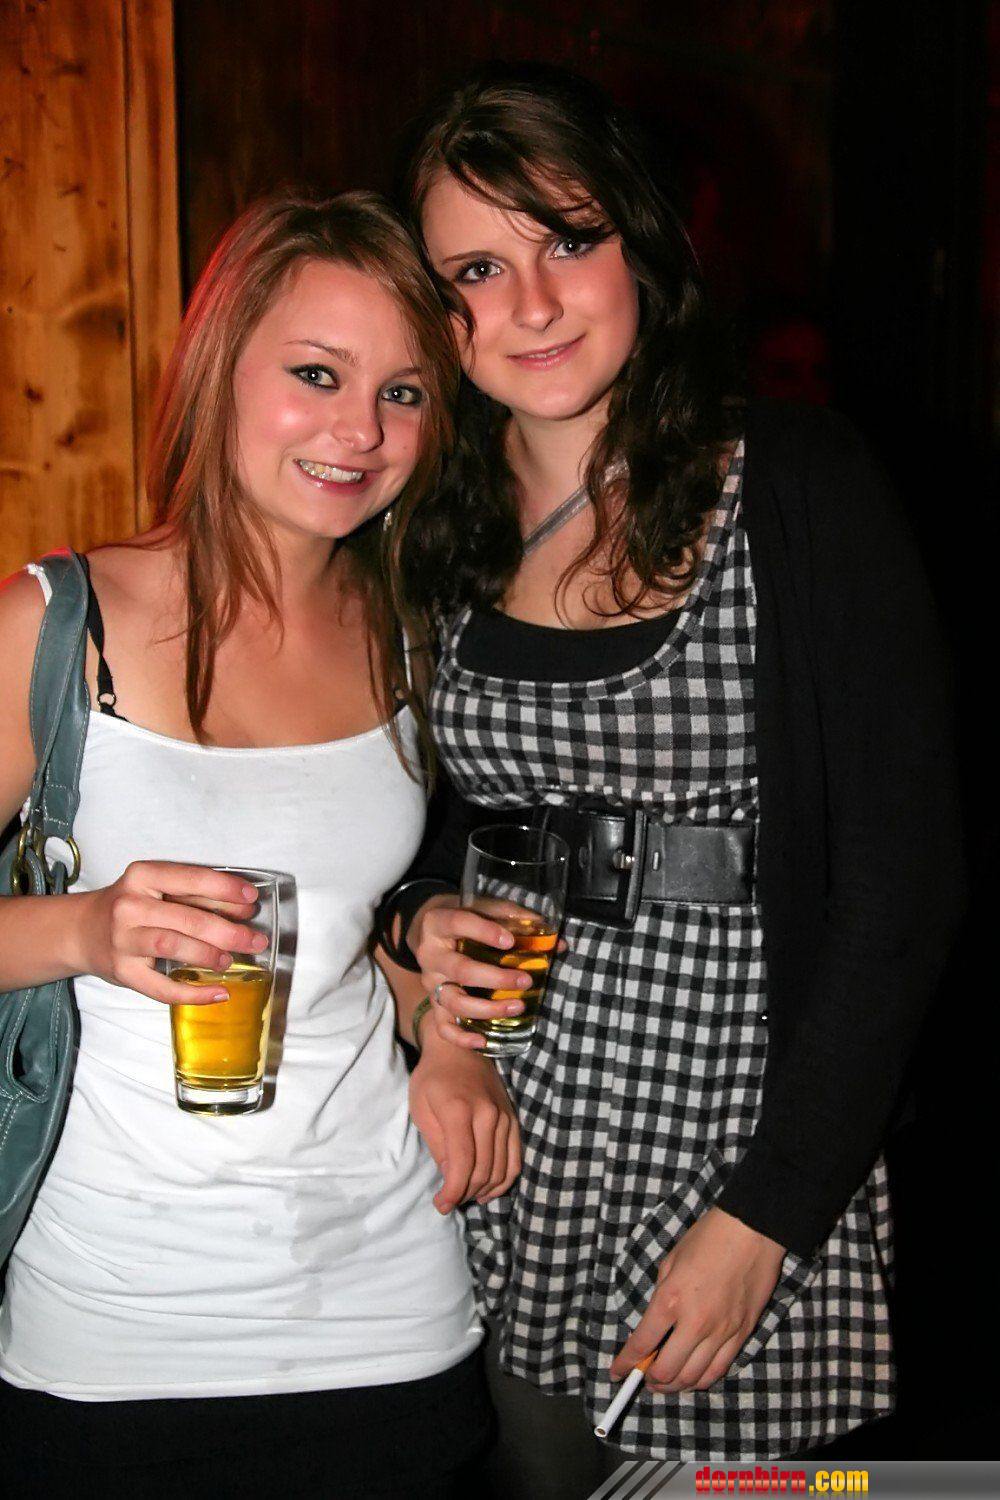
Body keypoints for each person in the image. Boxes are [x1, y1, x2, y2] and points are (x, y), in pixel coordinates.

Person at [376, 64, 964, 1492]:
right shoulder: (421, 517)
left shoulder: (795, 482)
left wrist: (769, 1215)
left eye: (567, 239)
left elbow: (906, 880)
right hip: (506, 1122)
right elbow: (403, 830)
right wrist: (419, 947)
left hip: (742, 1124)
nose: (532, 303)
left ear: (638, 239)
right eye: (475, 270)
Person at [0, 190, 520, 1499]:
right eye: (316, 375)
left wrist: (451, 1037)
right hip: (119, 1323)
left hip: (392, 1303)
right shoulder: (56, 624)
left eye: (404, 393)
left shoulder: (411, 633)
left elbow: (370, 920)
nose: (361, 431)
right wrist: (82, 928)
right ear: (221, 368)